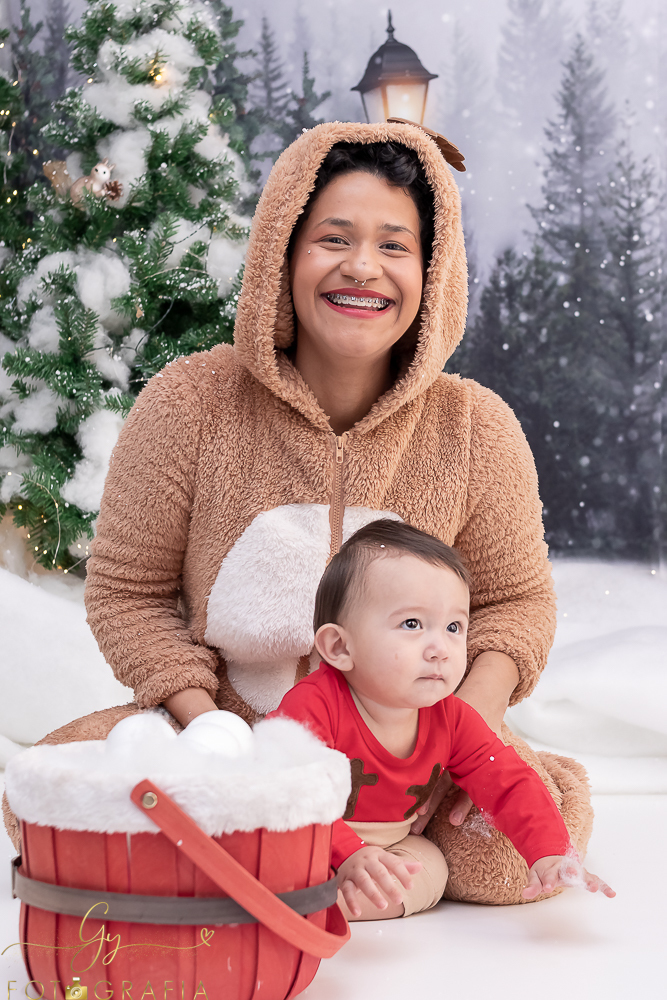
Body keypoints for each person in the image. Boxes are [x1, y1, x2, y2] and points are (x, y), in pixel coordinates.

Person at [3, 122, 593, 906]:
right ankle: (324, 855)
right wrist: (215, 734)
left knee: (519, 853)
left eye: (394, 245)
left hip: (415, 739)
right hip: (226, 728)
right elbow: (128, 593)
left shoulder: (475, 427)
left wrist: (458, 734)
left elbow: (517, 601)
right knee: (46, 796)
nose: (361, 267)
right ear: (282, 252)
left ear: (432, 269)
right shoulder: (188, 402)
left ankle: (355, 852)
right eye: (333, 238)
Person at [270, 519, 614, 920]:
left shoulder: (450, 717)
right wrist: (349, 853)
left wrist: (550, 852)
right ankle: (305, 898)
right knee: (267, 847)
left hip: (391, 844)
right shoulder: (313, 705)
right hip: (309, 834)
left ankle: (336, 905)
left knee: (429, 866)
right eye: (412, 624)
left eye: (454, 627)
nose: (440, 649)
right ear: (340, 646)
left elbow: (508, 783)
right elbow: (285, 791)